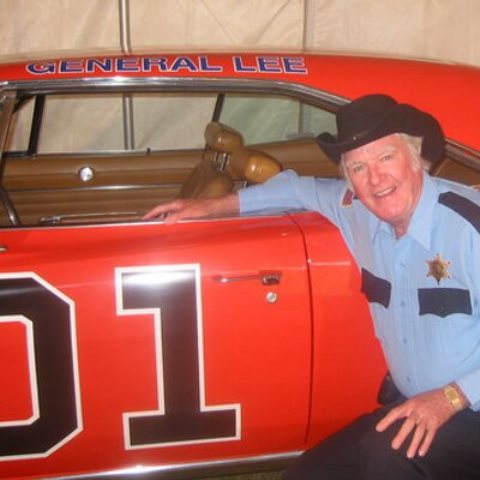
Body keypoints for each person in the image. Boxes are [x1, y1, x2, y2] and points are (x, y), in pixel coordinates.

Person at [144, 94, 480, 479]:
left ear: (415, 158)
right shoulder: (357, 209)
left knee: (386, 460)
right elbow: (296, 190)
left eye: (386, 157)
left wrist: (451, 396)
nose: (375, 178)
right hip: (410, 406)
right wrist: (209, 207)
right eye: (358, 167)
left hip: (467, 406)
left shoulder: (469, 227)